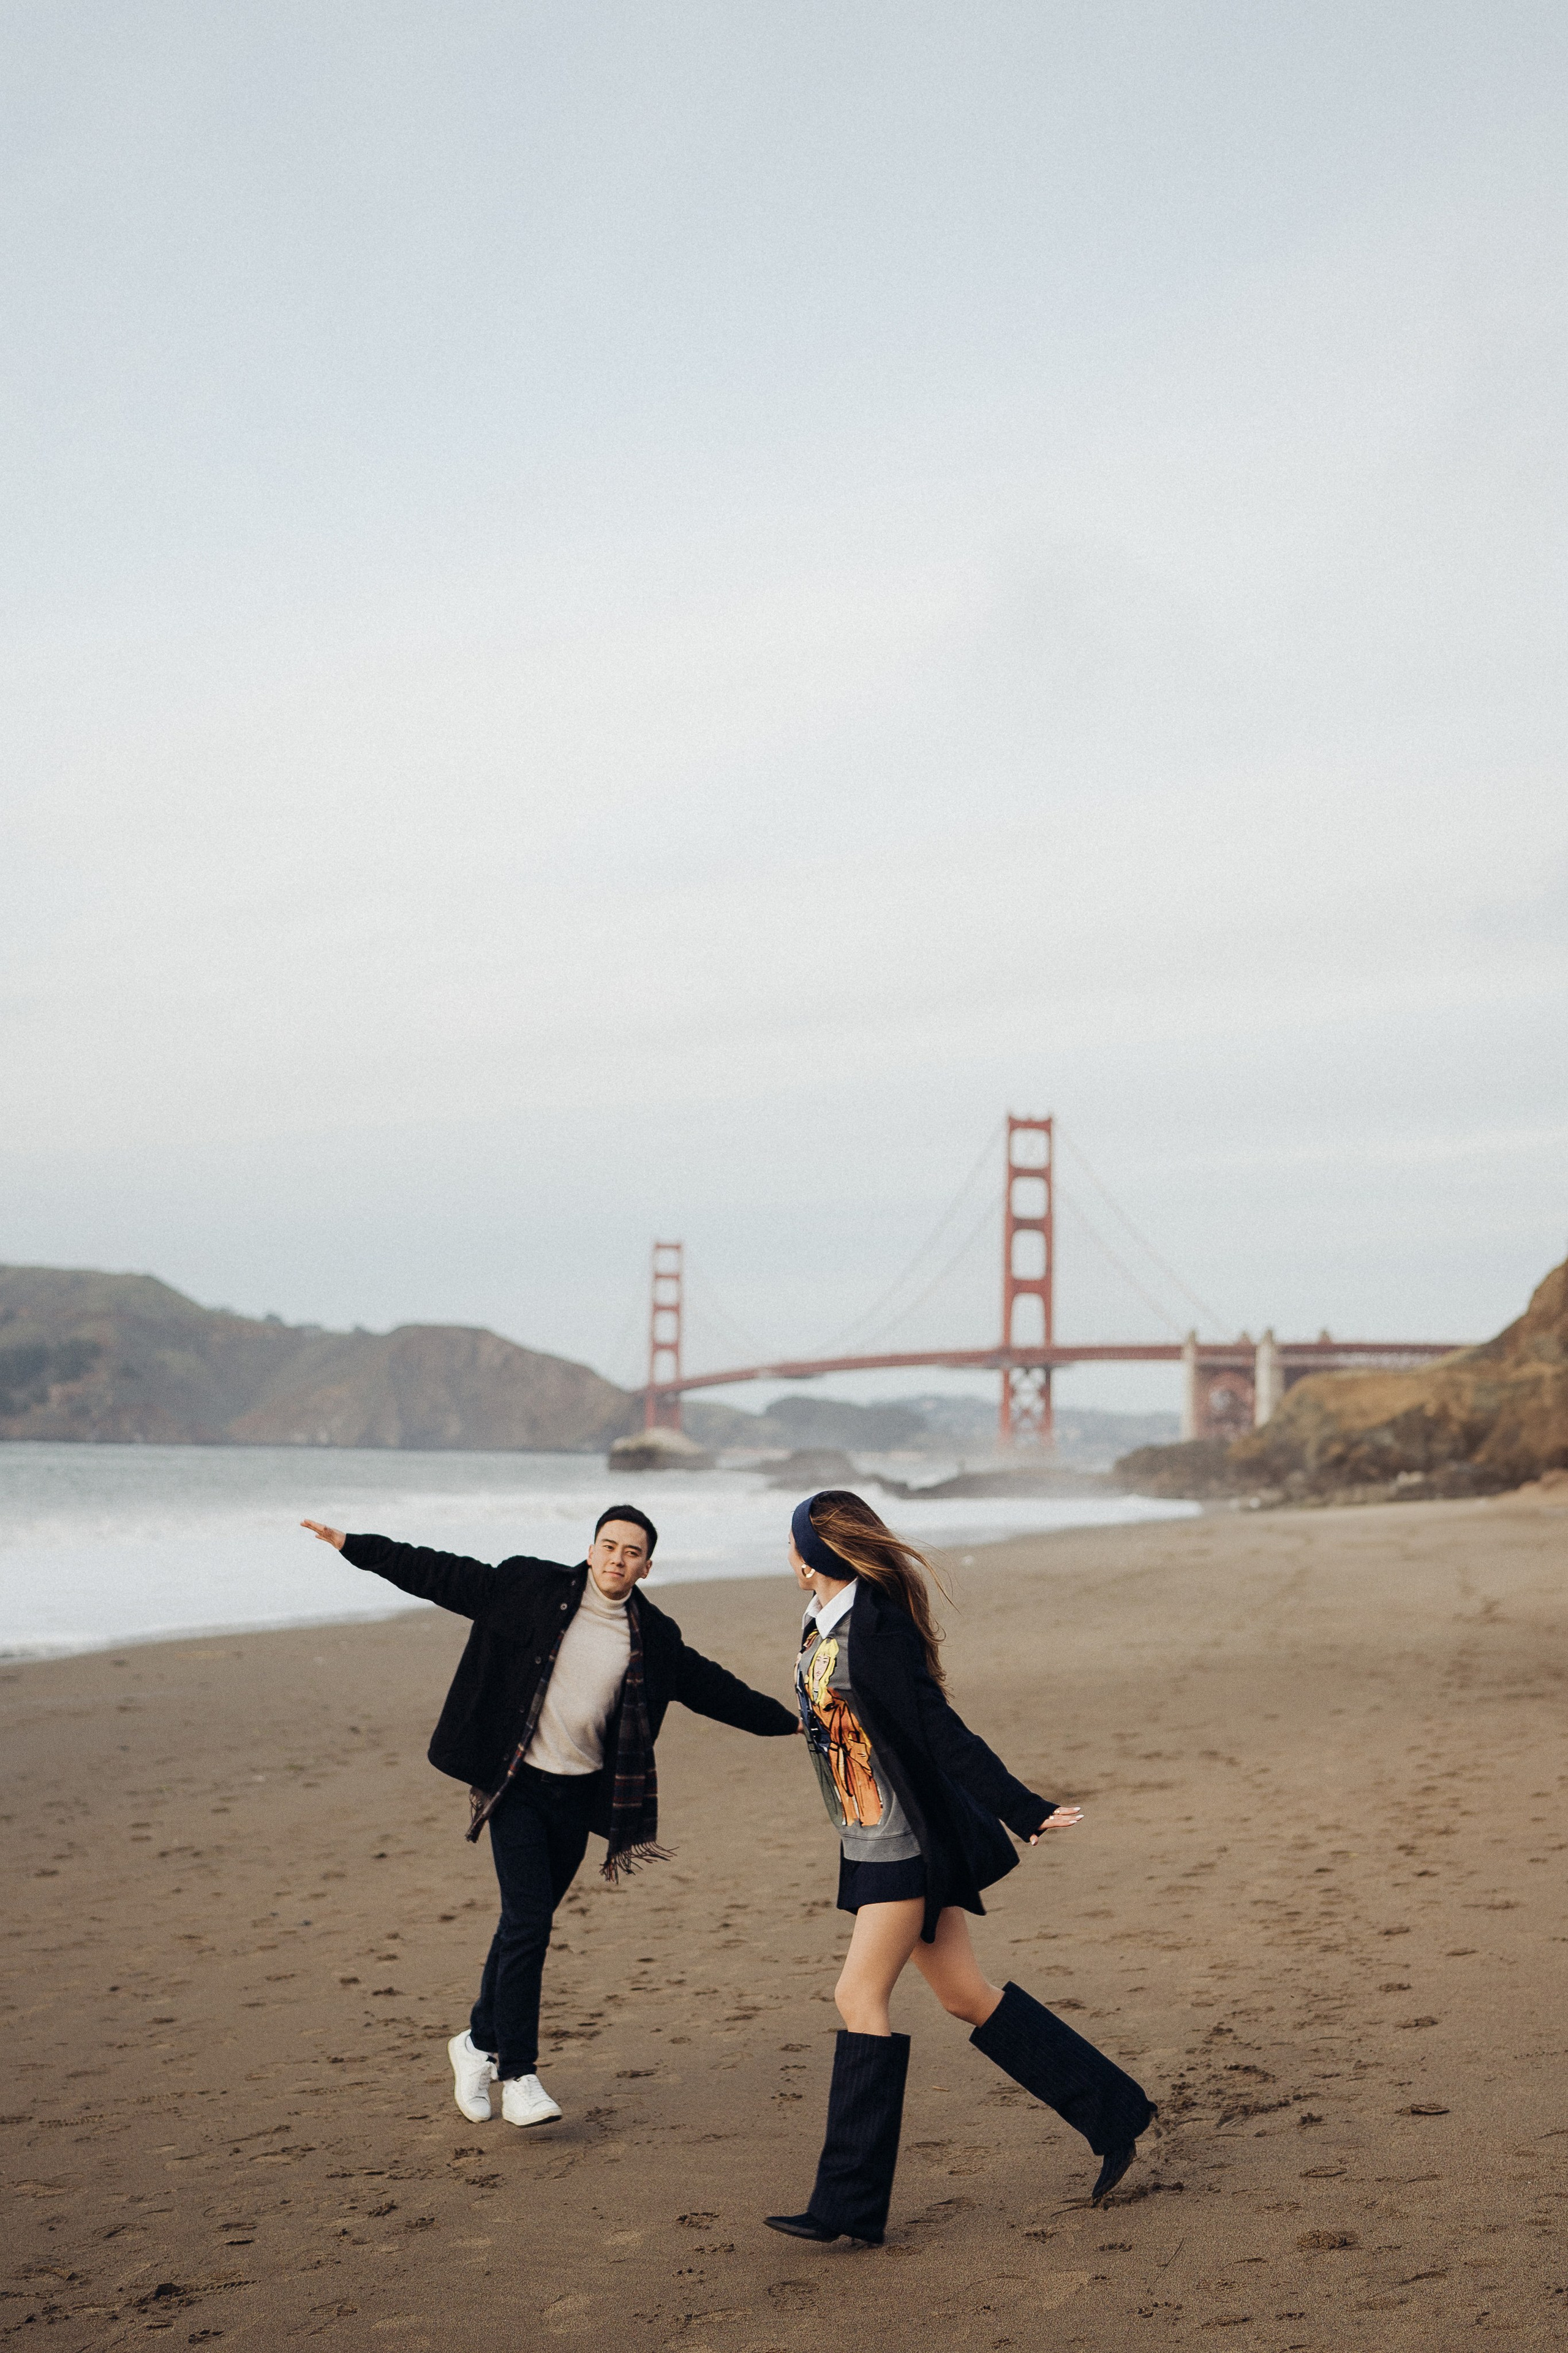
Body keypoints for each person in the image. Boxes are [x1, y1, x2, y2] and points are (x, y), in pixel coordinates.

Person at [301, 1503, 796, 2128]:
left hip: (579, 1796)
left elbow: (713, 1688)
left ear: (646, 1567)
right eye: (609, 1545)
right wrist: (355, 1544)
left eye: (632, 1552)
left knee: (520, 1924)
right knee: (530, 1921)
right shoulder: (528, 1587)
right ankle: (520, 2073)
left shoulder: (653, 1636)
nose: (618, 1558)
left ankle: (476, 2041)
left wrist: (790, 1721)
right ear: (591, 1550)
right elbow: (441, 1575)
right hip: (516, 1787)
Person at [764, 1489, 1156, 2247]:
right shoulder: (826, 1619)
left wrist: (1022, 1806)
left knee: (857, 1996)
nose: (788, 1553)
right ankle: (1116, 2112)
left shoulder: (870, 1627)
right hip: (868, 1833)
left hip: (900, 1840)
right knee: (964, 1994)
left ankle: (847, 2204)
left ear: (805, 1556)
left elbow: (938, 1729)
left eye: (791, 1542)